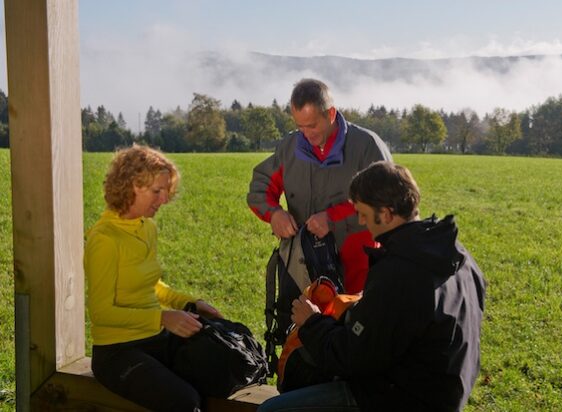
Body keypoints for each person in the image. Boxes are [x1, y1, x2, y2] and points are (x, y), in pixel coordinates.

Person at [258, 161, 486, 412]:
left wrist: (312, 323)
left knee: (271, 410)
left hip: (400, 397)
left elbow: (352, 358)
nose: (361, 221)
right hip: (445, 392)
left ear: (387, 214)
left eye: (364, 214)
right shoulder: (457, 255)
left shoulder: (399, 270)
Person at [84, 145, 222, 412]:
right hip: (116, 352)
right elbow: (101, 313)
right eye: (157, 191)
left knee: (222, 369)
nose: (163, 200)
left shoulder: (147, 228)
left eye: (166, 192)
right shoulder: (104, 239)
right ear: (133, 185)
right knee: (184, 401)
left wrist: (190, 303)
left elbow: (152, 286)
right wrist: (162, 317)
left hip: (153, 339)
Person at [247, 78, 392, 294]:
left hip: (356, 269)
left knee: (349, 325)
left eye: (312, 125)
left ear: (331, 114)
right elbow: (260, 187)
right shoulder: (290, 147)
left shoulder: (367, 147)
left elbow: (386, 203)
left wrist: (332, 218)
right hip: (302, 266)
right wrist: (274, 214)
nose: (306, 134)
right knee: (301, 324)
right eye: (300, 126)